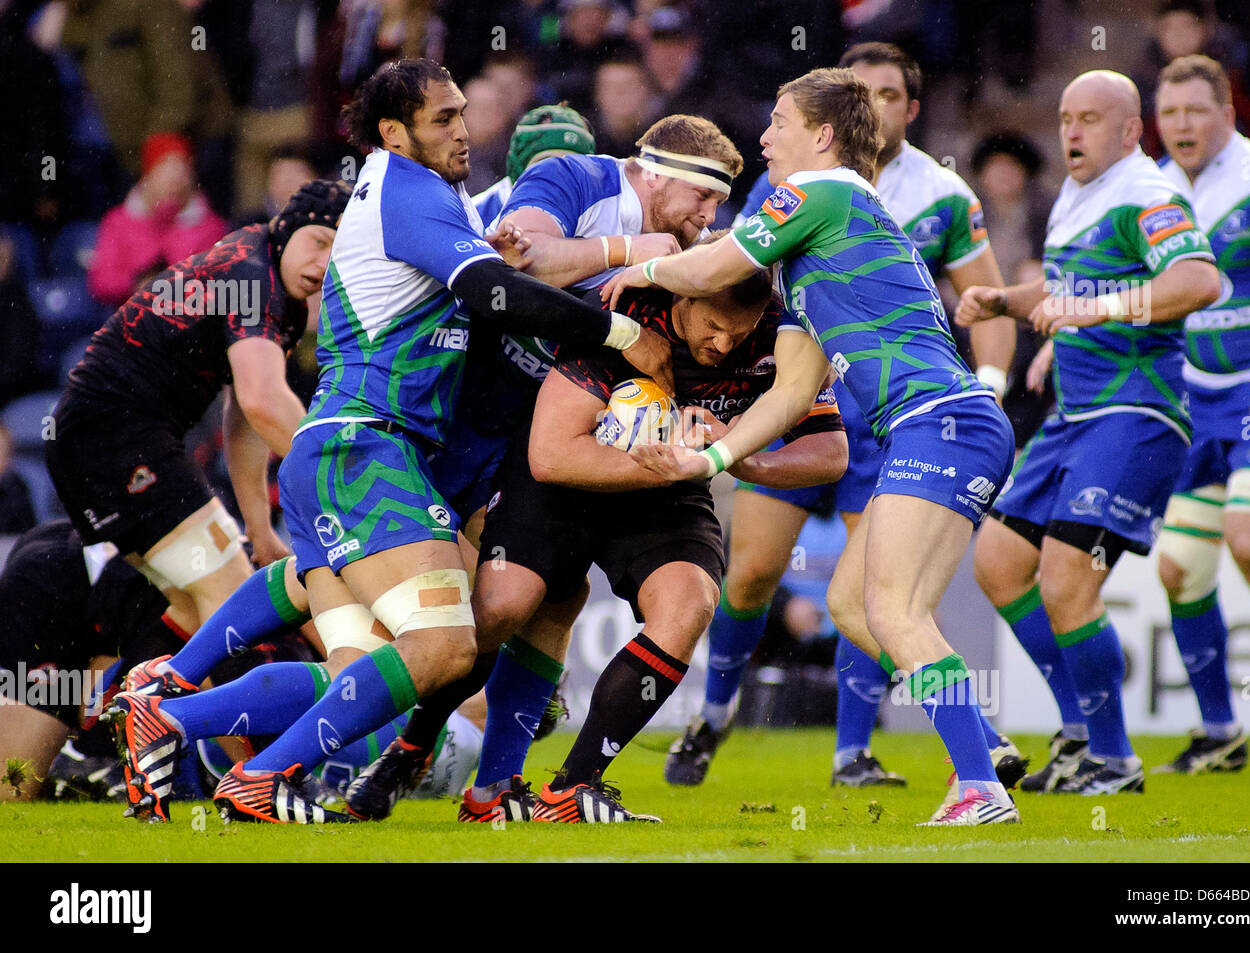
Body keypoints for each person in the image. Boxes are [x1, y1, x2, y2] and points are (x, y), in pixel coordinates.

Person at [124, 57, 670, 825]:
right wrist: (619, 327)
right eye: (443, 118)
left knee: (363, 668)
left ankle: (174, 713)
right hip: (367, 447)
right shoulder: (411, 193)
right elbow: (491, 293)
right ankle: (257, 767)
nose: (463, 130)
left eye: (462, 114)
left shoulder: (436, 198)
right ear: (393, 132)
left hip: (365, 450)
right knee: (446, 646)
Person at [605, 67, 1023, 826]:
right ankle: (983, 746)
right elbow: (791, 393)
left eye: (777, 121)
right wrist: (712, 459)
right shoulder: (811, 256)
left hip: (940, 419)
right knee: (858, 605)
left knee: (891, 608)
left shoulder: (822, 193)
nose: (763, 137)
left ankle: (978, 787)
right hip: (947, 424)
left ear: (823, 137)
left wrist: (635, 265)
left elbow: (713, 265)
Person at [344, 112, 744, 821]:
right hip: (462, 414)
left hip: (541, 423)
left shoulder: (688, 252)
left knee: (546, 603)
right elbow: (519, 266)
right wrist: (632, 251)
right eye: (702, 200)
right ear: (652, 171)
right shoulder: (575, 175)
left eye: (717, 206)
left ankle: (491, 784)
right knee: (466, 614)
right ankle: (341, 746)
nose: (709, 218)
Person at [473, 255, 846, 822]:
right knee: (503, 607)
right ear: (684, 298)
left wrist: (738, 457)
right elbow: (550, 456)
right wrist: (671, 466)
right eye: (711, 327)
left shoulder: (782, 333)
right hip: (566, 480)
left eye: (736, 333)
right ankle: (406, 747)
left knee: (690, 600)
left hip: (667, 490)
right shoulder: (627, 315)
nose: (722, 345)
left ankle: (572, 789)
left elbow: (831, 453)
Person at [956, 70, 1220, 795]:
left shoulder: (1150, 194)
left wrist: (1099, 312)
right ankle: (1078, 731)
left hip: (1135, 413)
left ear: (1132, 130)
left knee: (1068, 576)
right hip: (1076, 416)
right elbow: (1069, 285)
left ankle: (1114, 756)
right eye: (1066, 117)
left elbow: (1199, 281)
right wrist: (1006, 299)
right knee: (999, 560)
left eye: (1091, 119)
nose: (1072, 131)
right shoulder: (1080, 195)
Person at [47, 178, 349, 652]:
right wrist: (352, 476)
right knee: (233, 603)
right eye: (319, 242)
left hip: (102, 439)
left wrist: (258, 526)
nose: (324, 263)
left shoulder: (272, 283)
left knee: (190, 613)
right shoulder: (253, 274)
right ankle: (182, 723)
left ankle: (117, 716)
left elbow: (245, 412)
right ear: (287, 230)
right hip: (113, 436)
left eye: (340, 253)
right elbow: (263, 398)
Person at [1151, 54, 1250, 773]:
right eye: (1169, 112)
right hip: (1195, 401)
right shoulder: (1152, 191)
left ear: (1226, 114)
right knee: (1178, 569)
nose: (1181, 124)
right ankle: (1219, 732)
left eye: (1194, 111)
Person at [0, 519, 184, 801]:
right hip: (57, 576)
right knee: (14, 789)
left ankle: (85, 753)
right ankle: (82, 752)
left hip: (137, 570)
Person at [87, 132, 230, 308]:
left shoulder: (210, 226)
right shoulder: (119, 221)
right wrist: (137, 282)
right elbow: (102, 282)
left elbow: (215, 286)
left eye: (182, 171)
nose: (175, 180)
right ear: (148, 174)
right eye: (165, 170)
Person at [471, 104, 598, 228]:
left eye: (570, 167)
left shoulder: (602, 216)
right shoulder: (472, 219)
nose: (559, 177)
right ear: (519, 167)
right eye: (545, 165)